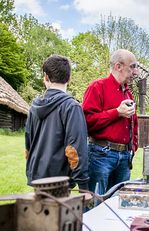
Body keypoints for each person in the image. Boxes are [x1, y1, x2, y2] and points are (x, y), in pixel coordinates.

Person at [25, 54, 89, 190]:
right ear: (69, 78)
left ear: (46, 77)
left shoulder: (34, 106)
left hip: (37, 176)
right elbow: (76, 148)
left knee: (41, 211)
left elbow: (28, 144)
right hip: (59, 179)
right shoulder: (72, 107)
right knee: (56, 212)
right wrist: (84, 186)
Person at [82, 49, 139, 195]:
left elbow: (134, 124)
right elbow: (86, 123)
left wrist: (132, 147)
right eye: (132, 66)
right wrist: (116, 112)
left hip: (125, 158)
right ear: (118, 66)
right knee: (95, 202)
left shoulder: (128, 94)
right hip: (101, 155)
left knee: (117, 204)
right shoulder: (97, 87)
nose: (136, 72)